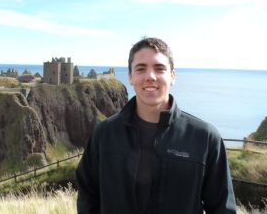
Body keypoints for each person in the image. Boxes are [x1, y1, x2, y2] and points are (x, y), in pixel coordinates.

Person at [76, 37, 236, 214]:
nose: (150, 77)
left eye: (159, 69)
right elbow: (88, 193)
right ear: (130, 76)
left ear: (172, 76)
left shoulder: (205, 137)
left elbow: (222, 208)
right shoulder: (105, 133)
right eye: (141, 68)